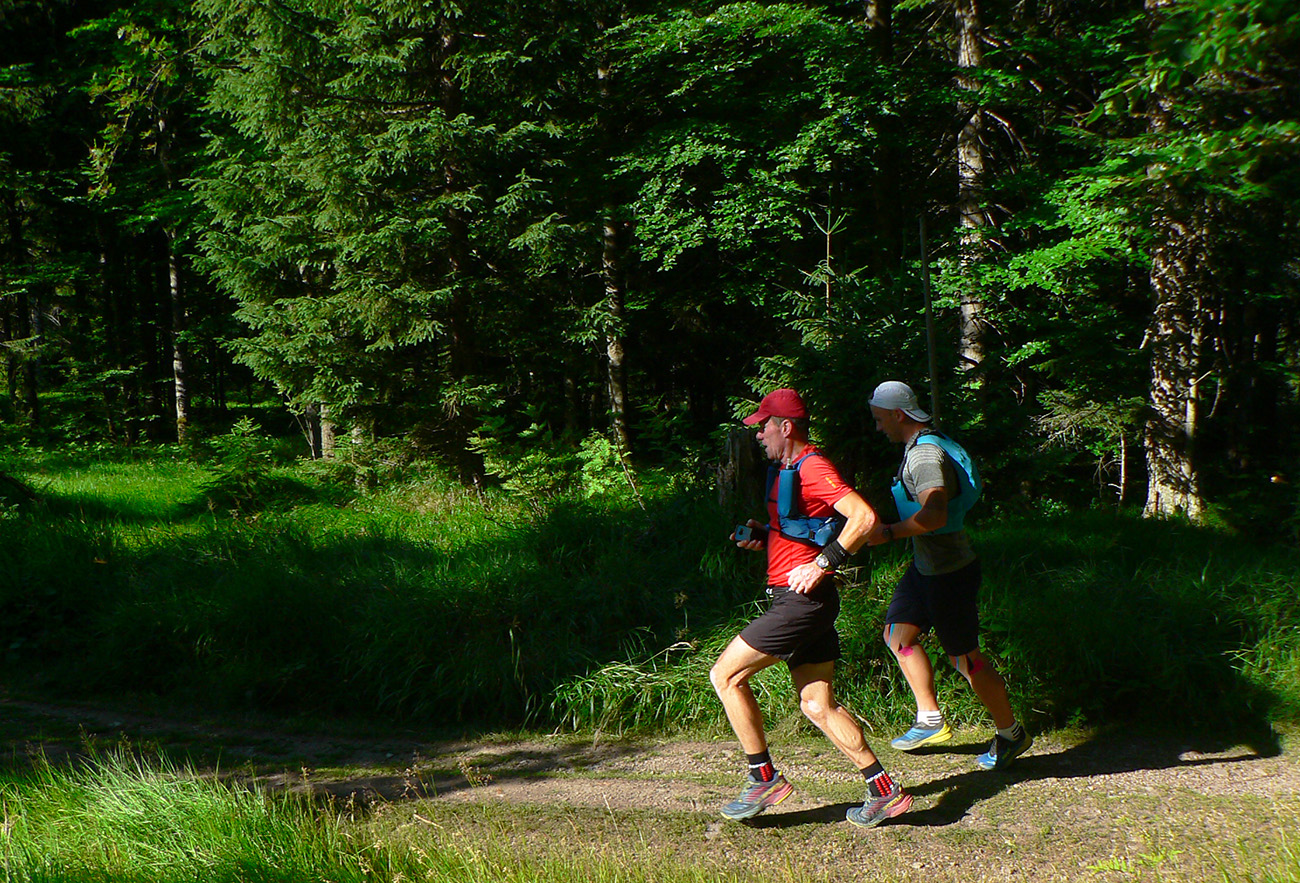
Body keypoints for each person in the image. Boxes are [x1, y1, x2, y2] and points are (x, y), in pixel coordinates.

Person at [711, 388, 912, 828]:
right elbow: (803, 530)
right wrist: (764, 537)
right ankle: (885, 791)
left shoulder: (812, 467)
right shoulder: (788, 470)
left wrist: (823, 564)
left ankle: (763, 778)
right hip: (806, 602)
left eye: (764, 427)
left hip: (801, 603)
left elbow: (864, 518)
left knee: (725, 676)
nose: (759, 435)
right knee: (818, 705)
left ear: (785, 427)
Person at [866, 380, 1031, 771]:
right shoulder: (922, 445)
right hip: (926, 568)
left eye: (880, 419)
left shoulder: (925, 455)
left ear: (898, 415)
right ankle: (930, 720)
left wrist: (887, 533)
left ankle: (1011, 735)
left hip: (949, 572)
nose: (878, 428)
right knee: (897, 635)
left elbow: (935, 514)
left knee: (966, 660)